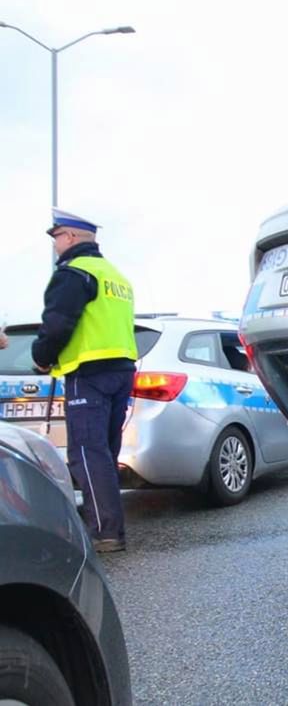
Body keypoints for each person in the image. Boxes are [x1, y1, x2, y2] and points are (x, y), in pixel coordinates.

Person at [32, 208, 137, 553]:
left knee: (87, 454)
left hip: (88, 372)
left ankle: (106, 533)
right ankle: (111, 526)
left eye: (57, 237)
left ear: (73, 237)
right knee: (105, 452)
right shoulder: (114, 275)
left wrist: (41, 357)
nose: (55, 245)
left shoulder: (74, 272)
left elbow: (58, 323)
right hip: (121, 370)